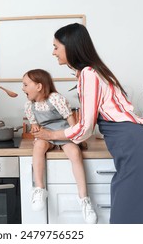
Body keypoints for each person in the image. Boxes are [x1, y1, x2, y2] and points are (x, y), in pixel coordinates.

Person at [32, 23, 143, 224]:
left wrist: (51, 135)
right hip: (142, 146)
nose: (53, 52)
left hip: (135, 151)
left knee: (128, 222)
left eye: (56, 47)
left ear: (70, 47)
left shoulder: (89, 73)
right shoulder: (95, 71)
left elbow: (85, 127)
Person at [22, 69, 98, 224]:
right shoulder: (29, 106)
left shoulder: (56, 99)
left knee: (75, 153)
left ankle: (84, 199)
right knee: (38, 148)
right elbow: (35, 125)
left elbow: (71, 121)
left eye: (25, 84)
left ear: (39, 86)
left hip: (64, 132)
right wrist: (35, 130)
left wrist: (78, 139)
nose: (22, 88)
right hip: (46, 134)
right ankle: (39, 189)